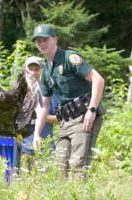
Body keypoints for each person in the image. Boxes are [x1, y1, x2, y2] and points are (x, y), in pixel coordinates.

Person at [32, 24, 105, 178]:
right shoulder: (46, 71)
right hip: (65, 121)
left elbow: (98, 80)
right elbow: (44, 106)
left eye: (45, 39)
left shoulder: (69, 58)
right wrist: (37, 134)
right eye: (38, 41)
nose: (42, 44)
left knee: (78, 165)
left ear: (55, 39)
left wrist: (92, 109)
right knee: (60, 167)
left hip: (83, 117)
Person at [21, 56, 59, 156]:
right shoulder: (20, 91)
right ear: (25, 70)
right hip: (22, 148)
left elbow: (59, 119)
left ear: (43, 70)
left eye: (37, 69)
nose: (33, 72)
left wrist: (40, 116)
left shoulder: (50, 93)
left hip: (44, 148)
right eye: (30, 69)